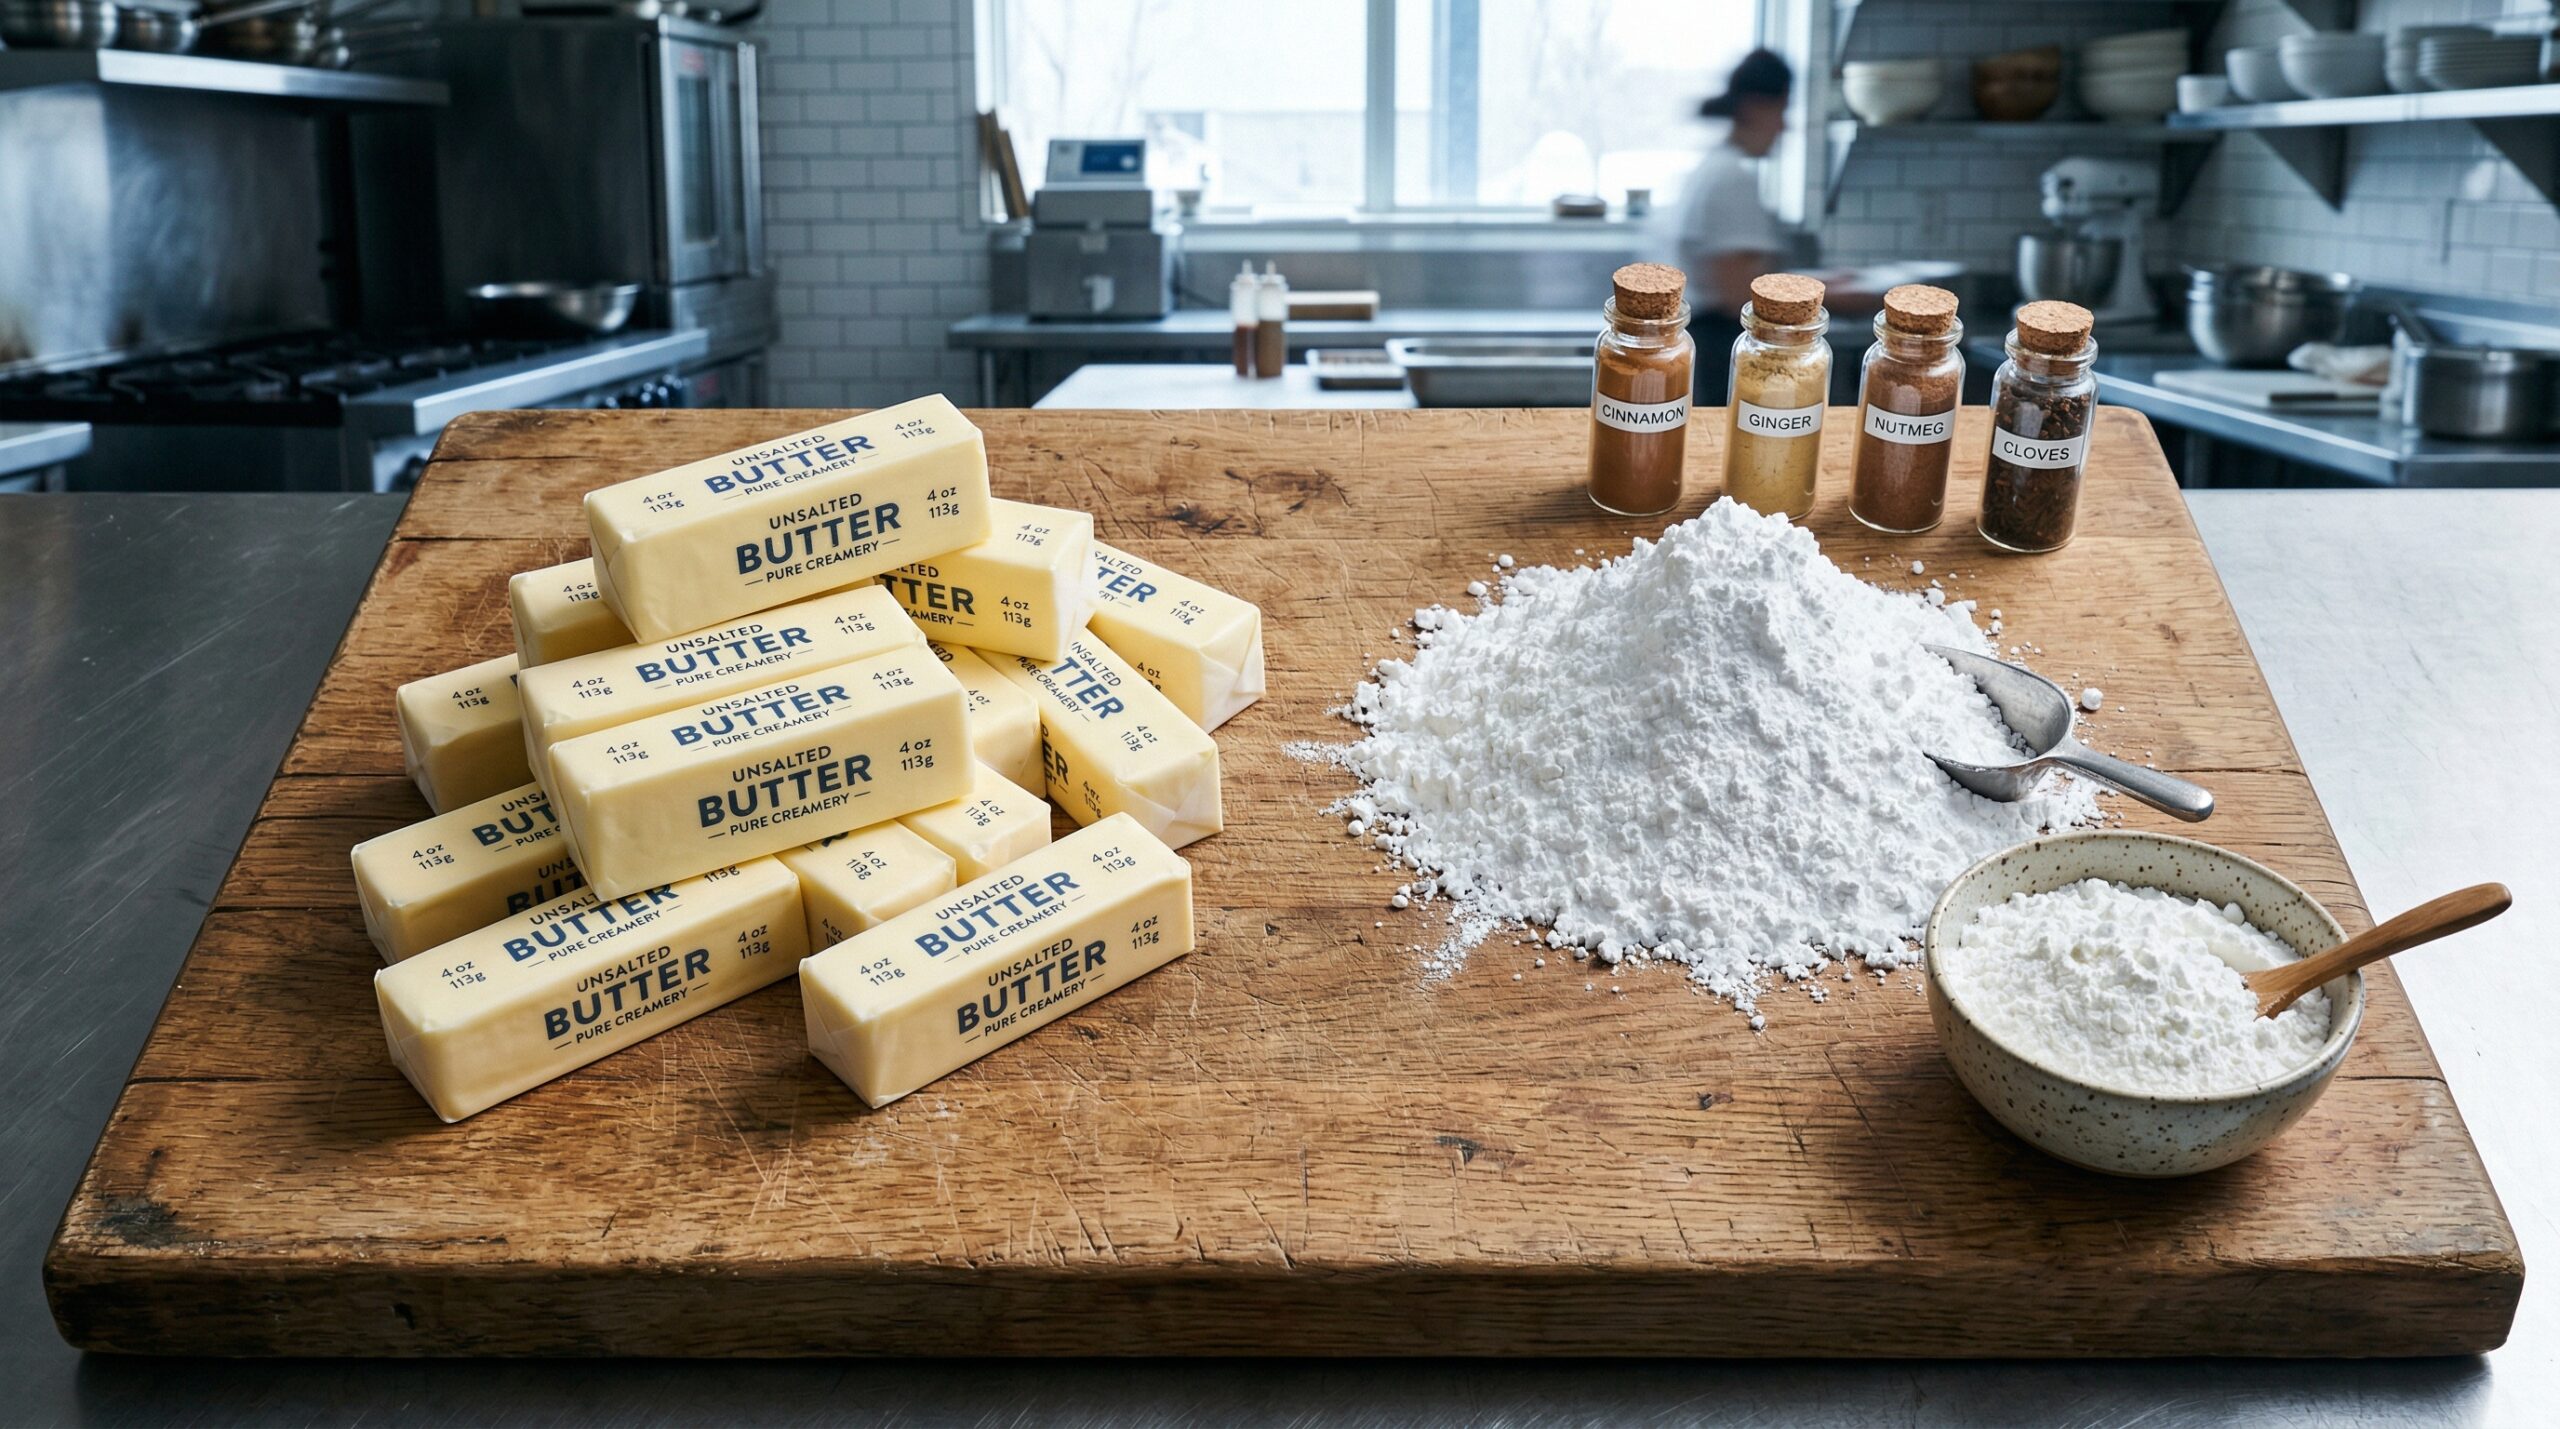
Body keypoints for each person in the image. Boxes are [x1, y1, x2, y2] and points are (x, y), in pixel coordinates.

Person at [1667, 49, 1882, 320]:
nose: (1783, 127)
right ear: (1754, 108)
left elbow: (1749, 278)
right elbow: (1739, 294)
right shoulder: (1731, 179)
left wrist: (1821, 283)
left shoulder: (1715, 168)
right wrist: (1839, 298)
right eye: (1781, 111)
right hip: (1719, 336)